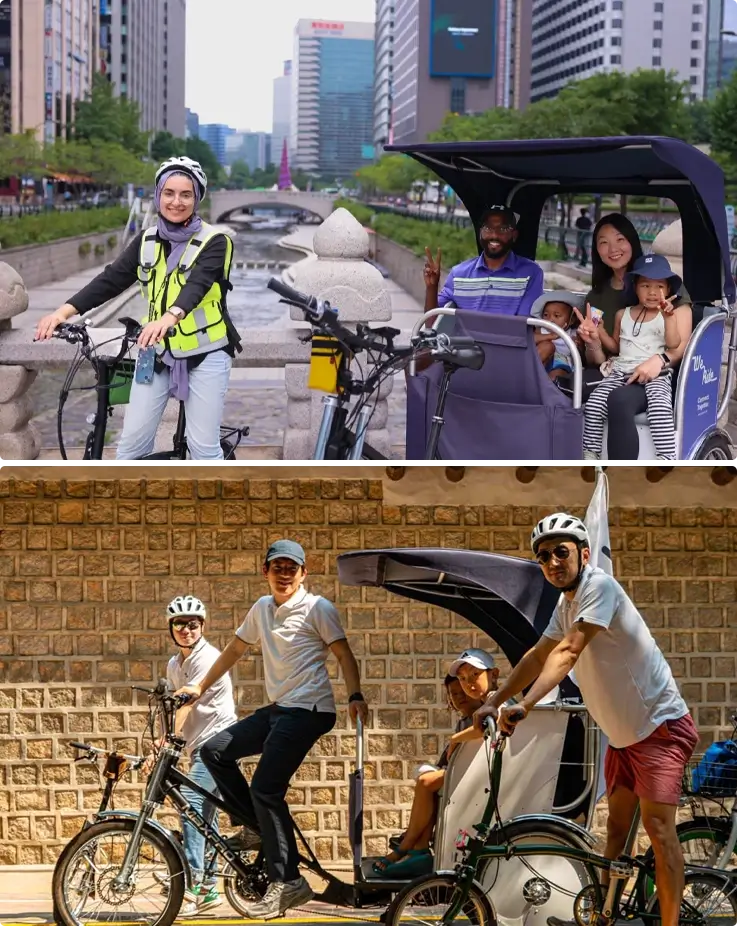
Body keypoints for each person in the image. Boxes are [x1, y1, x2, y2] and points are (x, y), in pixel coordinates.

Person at [474, 513, 699, 926]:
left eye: (561, 552)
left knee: (658, 829)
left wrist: (526, 705)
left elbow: (569, 651)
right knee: (615, 832)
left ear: (584, 553)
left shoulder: (599, 586)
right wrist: (497, 699)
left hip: (658, 728)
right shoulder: (568, 601)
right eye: (543, 556)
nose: (553, 562)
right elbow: (540, 653)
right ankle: (604, 915)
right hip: (624, 737)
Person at [175, 539, 369, 920]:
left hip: (309, 709)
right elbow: (233, 650)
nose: (284, 575)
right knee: (215, 751)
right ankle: (253, 826)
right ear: (265, 572)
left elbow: (344, 653)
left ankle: (288, 881)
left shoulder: (318, 608)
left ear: (303, 574)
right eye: (277, 567)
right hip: (280, 709)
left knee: (266, 787)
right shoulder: (262, 609)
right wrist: (199, 687)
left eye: (291, 568)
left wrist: (355, 694)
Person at [34, 156, 241, 464]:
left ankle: (208, 510)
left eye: (186, 194)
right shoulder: (145, 241)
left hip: (206, 351)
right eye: (169, 193)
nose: (176, 201)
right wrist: (62, 313)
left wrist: (170, 317)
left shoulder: (215, 241)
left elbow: (196, 286)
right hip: (153, 351)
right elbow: (110, 280)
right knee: (129, 448)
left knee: (203, 449)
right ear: (158, 195)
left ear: (197, 198)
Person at [145, 596, 238, 917]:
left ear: (203, 627)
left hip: (219, 742)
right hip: (201, 745)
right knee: (205, 818)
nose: (186, 629)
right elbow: (172, 705)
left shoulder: (206, 657)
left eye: (193, 624)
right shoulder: (175, 664)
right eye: (179, 624)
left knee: (191, 806)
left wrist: (166, 741)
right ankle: (210, 889)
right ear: (171, 629)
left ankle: (193, 885)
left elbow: (187, 703)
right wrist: (164, 737)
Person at [371, 668, 486, 880]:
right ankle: (419, 849)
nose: (458, 698)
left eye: (461, 692)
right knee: (428, 781)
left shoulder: (482, 712)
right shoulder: (464, 720)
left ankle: (404, 847)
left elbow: (481, 731)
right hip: (459, 772)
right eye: (453, 694)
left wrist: (455, 739)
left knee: (426, 782)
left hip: (475, 775)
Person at [581, 254, 691, 463]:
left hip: (656, 373)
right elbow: (616, 346)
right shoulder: (623, 314)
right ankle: (591, 453)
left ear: (668, 290)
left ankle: (667, 457)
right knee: (595, 403)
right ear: (635, 288)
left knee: (659, 406)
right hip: (621, 370)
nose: (652, 292)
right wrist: (599, 332)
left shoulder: (668, 315)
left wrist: (669, 319)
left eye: (659, 286)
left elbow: (674, 343)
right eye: (645, 286)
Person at [423, 206, 544, 316]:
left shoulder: (531, 273)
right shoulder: (458, 274)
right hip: (464, 341)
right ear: (480, 232)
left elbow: (523, 328)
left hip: (508, 341)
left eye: (503, 228)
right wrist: (432, 288)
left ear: (514, 235)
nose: (494, 235)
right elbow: (431, 323)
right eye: (488, 228)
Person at [531, 292, 584, 382]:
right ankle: (530, 375)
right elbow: (530, 339)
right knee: (546, 346)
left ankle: (549, 388)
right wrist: (550, 336)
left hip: (561, 362)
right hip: (541, 362)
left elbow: (581, 356)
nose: (550, 319)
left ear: (571, 320)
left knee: (556, 376)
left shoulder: (573, 333)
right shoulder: (541, 330)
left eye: (557, 316)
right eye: (546, 315)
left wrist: (579, 345)